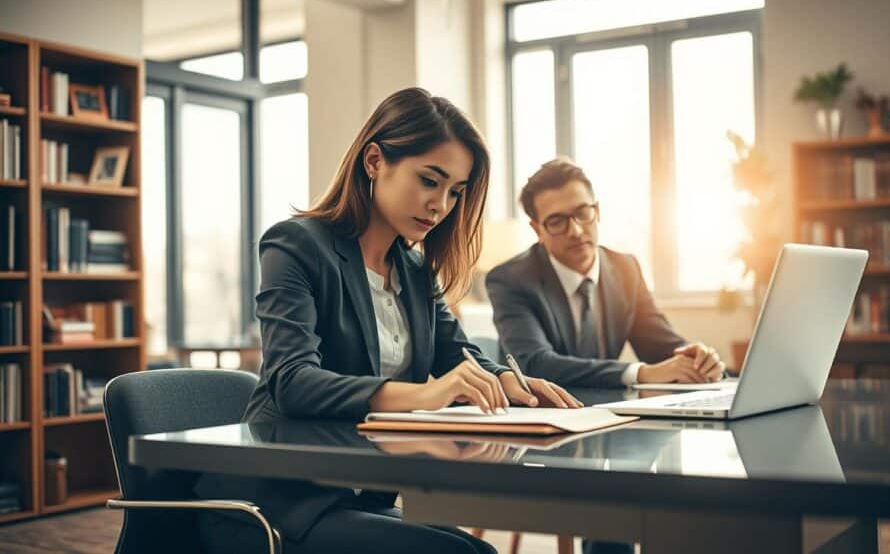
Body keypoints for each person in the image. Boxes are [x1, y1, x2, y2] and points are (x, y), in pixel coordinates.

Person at [196, 88, 581, 554]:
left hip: (360, 492)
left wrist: (508, 380)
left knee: (480, 551)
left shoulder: (415, 269)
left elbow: (458, 352)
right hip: (280, 502)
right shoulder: (295, 245)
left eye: (455, 191)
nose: (441, 205)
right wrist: (425, 396)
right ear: (374, 160)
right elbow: (291, 380)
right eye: (429, 180)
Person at [487, 158, 726, 389]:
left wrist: (699, 360)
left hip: (610, 413)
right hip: (540, 416)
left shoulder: (626, 269)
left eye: (583, 213)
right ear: (537, 229)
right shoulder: (510, 280)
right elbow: (534, 364)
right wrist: (640, 373)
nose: (576, 231)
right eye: (557, 221)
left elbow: (661, 346)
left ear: (597, 211)